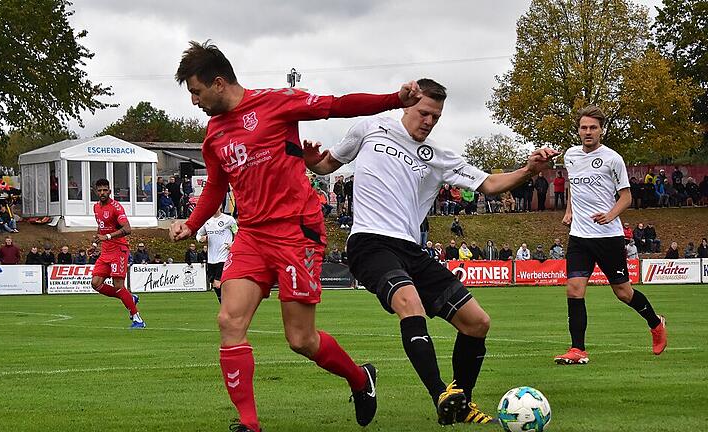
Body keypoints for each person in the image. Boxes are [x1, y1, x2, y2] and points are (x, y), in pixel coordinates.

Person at [167, 41, 413, 432]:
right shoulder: (214, 135)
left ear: (218, 83)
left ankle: (360, 378)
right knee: (229, 320)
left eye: (196, 92)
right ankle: (250, 424)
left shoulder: (277, 103)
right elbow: (216, 185)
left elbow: (336, 104)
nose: (194, 101)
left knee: (300, 339)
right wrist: (192, 223)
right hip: (250, 235)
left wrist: (392, 100)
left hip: (295, 231)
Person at [305, 78, 557, 425]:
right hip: (369, 242)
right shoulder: (370, 127)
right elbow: (327, 165)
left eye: (435, 117)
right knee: (410, 303)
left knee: (477, 322)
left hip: (411, 248)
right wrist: (311, 161)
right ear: (407, 104)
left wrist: (529, 169)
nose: (428, 121)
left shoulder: (439, 156)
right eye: (424, 112)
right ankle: (440, 392)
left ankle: (460, 403)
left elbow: (489, 184)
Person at [555, 106, 666, 366]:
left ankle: (655, 323)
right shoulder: (570, 155)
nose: (588, 132)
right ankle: (577, 349)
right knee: (574, 289)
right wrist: (569, 211)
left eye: (593, 127)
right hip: (579, 237)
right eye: (584, 127)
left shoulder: (613, 159)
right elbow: (573, 186)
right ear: (578, 130)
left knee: (623, 292)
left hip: (608, 237)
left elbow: (626, 196)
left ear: (601, 130)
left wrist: (610, 214)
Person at [91, 178, 145, 329]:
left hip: (118, 250)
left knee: (118, 285)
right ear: (96, 191)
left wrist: (107, 237)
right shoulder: (96, 207)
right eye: (99, 190)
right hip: (105, 251)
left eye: (105, 190)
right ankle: (129, 298)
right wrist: (95, 244)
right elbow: (101, 228)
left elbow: (127, 229)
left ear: (109, 191)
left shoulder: (116, 207)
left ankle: (137, 319)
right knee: (95, 284)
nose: (102, 192)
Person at [197, 207, 238, 303]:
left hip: (224, 257)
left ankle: (226, 306)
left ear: (220, 206)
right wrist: (200, 239)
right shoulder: (207, 221)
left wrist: (233, 243)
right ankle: (229, 303)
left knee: (217, 283)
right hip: (211, 258)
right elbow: (198, 234)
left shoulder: (229, 220)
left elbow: (238, 233)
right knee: (215, 283)